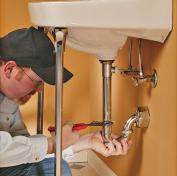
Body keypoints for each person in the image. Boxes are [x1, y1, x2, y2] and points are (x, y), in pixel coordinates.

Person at [0, 27, 131, 176]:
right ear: (9, 69)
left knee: (54, 168)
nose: (40, 90)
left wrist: (87, 141)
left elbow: (22, 149)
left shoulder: (8, 99)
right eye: (37, 81)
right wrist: (53, 144)